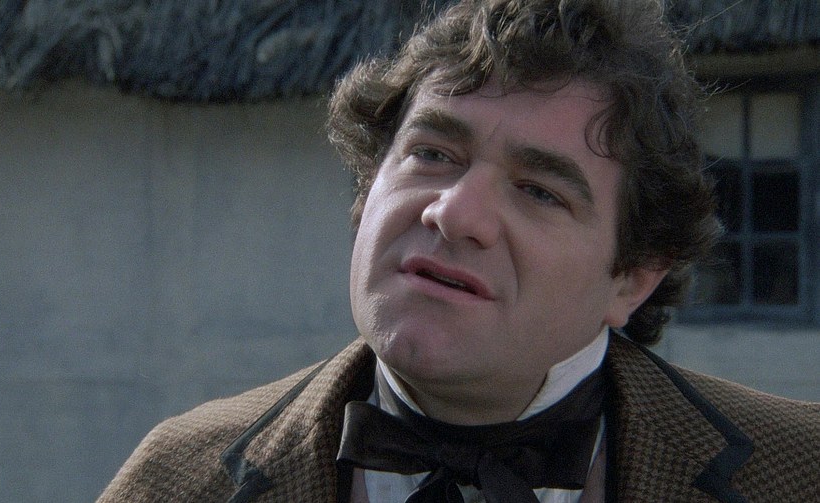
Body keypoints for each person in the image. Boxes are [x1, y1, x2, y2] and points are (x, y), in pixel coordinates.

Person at [98, 0, 819, 501]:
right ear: (366, 189)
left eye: (539, 191)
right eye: (433, 154)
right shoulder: (177, 479)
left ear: (632, 277)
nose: (454, 213)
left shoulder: (798, 475)